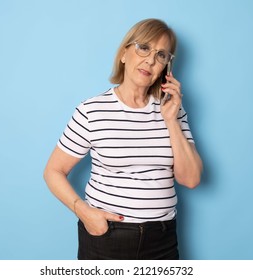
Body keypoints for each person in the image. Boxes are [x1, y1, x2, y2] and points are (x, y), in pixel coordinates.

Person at [43, 18, 203, 260]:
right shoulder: (92, 110)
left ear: (166, 68)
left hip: (162, 239)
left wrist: (171, 120)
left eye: (161, 55)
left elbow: (190, 179)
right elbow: (53, 171)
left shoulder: (174, 110)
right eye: (144, 48)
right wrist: (84, 212)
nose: (150, 59)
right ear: (124, 54)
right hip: (106, 237)